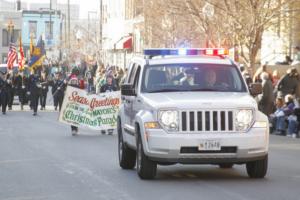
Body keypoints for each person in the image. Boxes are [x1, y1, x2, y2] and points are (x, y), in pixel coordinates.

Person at [69, 70, 80, 136]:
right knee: (71, 117)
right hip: (70, 104)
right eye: (73, 80)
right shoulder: (69, 86)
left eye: (75, 81)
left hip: (77, 104)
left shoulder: (78, 87)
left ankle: (76, 128)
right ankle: (73, 129)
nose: (74, 81)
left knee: (76, 117)